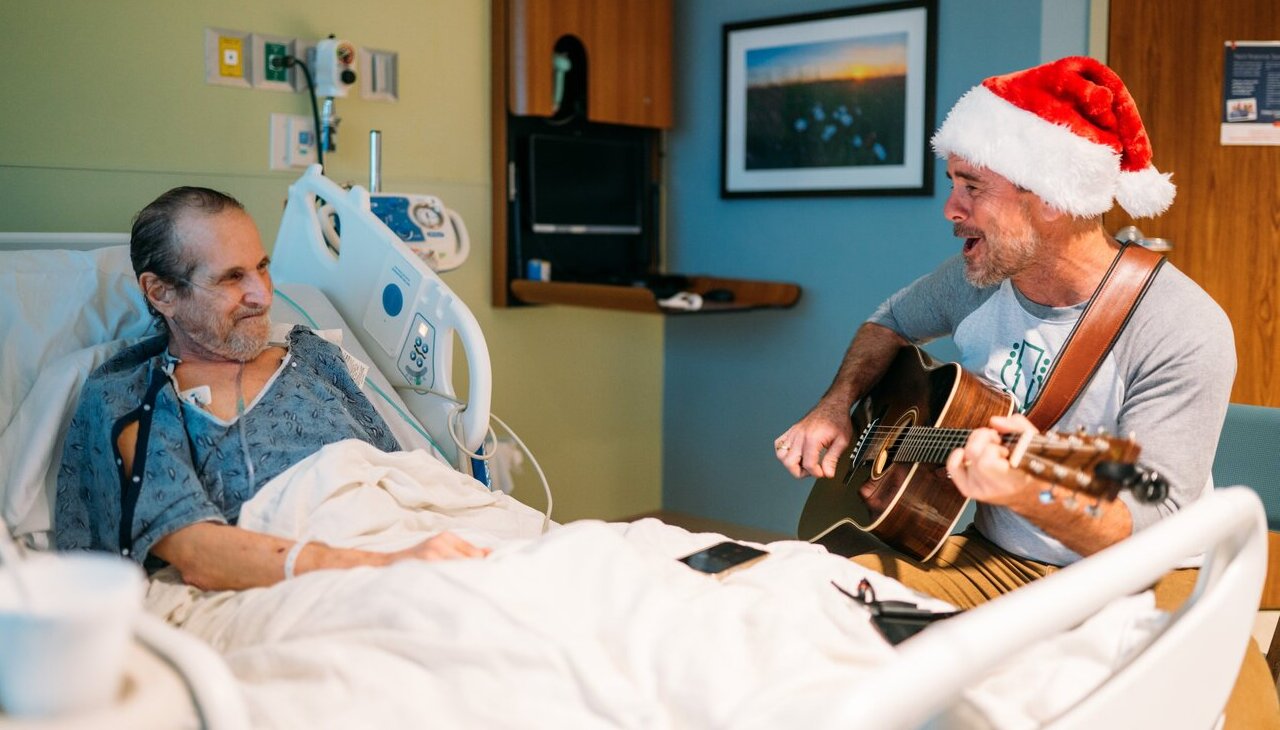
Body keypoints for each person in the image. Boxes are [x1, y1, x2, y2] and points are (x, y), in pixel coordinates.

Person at [775, 57, 1277, 726]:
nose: (951, 209)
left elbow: (1143, 526)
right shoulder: (974, 278)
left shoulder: (1181, 325)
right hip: (997, 559)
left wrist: (1023, 490)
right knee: (809, 610)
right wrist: (837, 405)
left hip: (1145, 576)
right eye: (953, 182)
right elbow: (888, 323)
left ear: (1049, 196)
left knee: (1208, 711)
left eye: (972, 186)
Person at [55, 187, 487, 591]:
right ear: (162, 293)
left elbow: (402, 476)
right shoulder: (134, 398)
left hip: (429, 542)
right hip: (323, 581)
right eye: (231, 278)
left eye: (262, 267)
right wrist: (390, 565)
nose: (261, 295)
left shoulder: (316, 357)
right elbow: (195, 553)